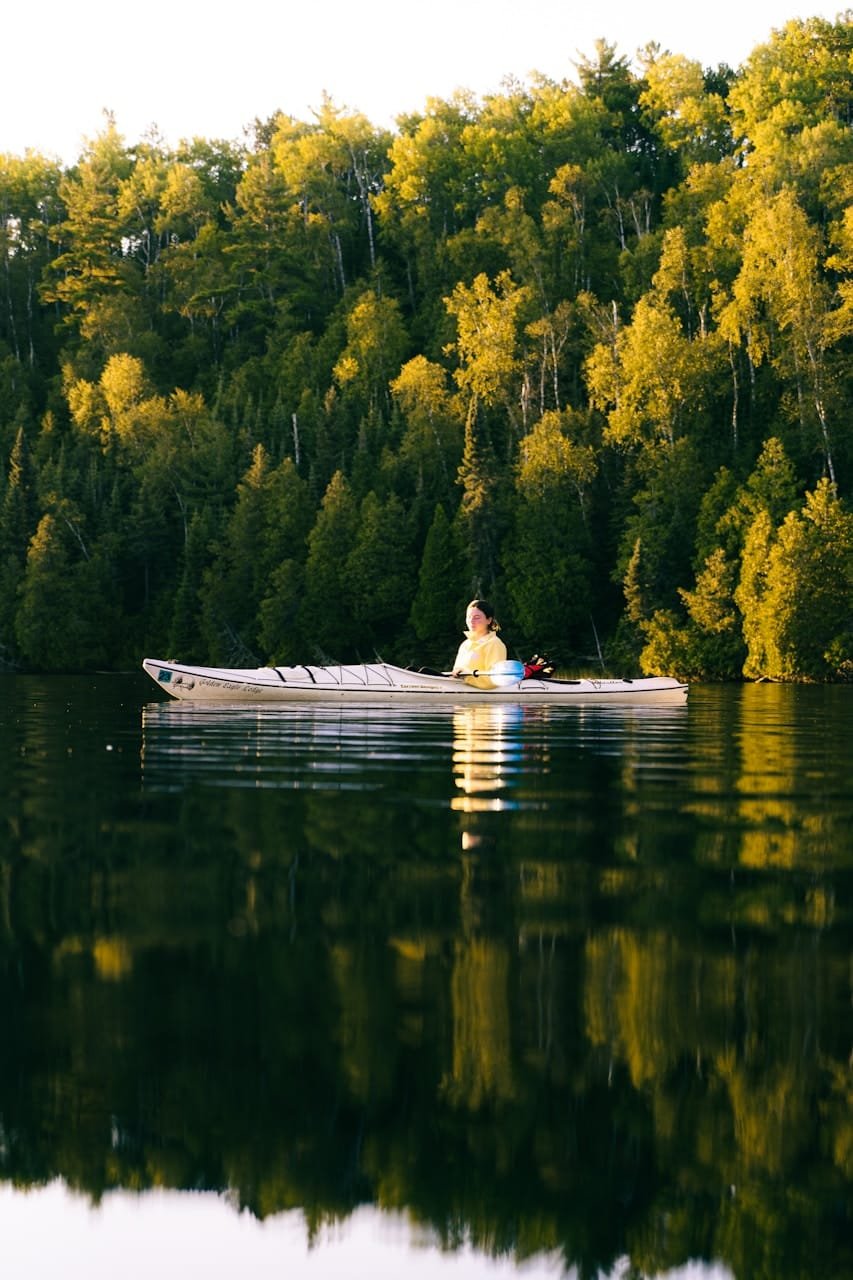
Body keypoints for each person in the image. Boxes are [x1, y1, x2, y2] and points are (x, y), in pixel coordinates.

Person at [452, 599, 507, 688]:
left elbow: (494, 680)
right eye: (469, 617)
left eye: (477, 617)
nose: (471, 621)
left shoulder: (494, 644)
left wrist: (467, 676)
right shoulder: (465, 645)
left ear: (489, 620)